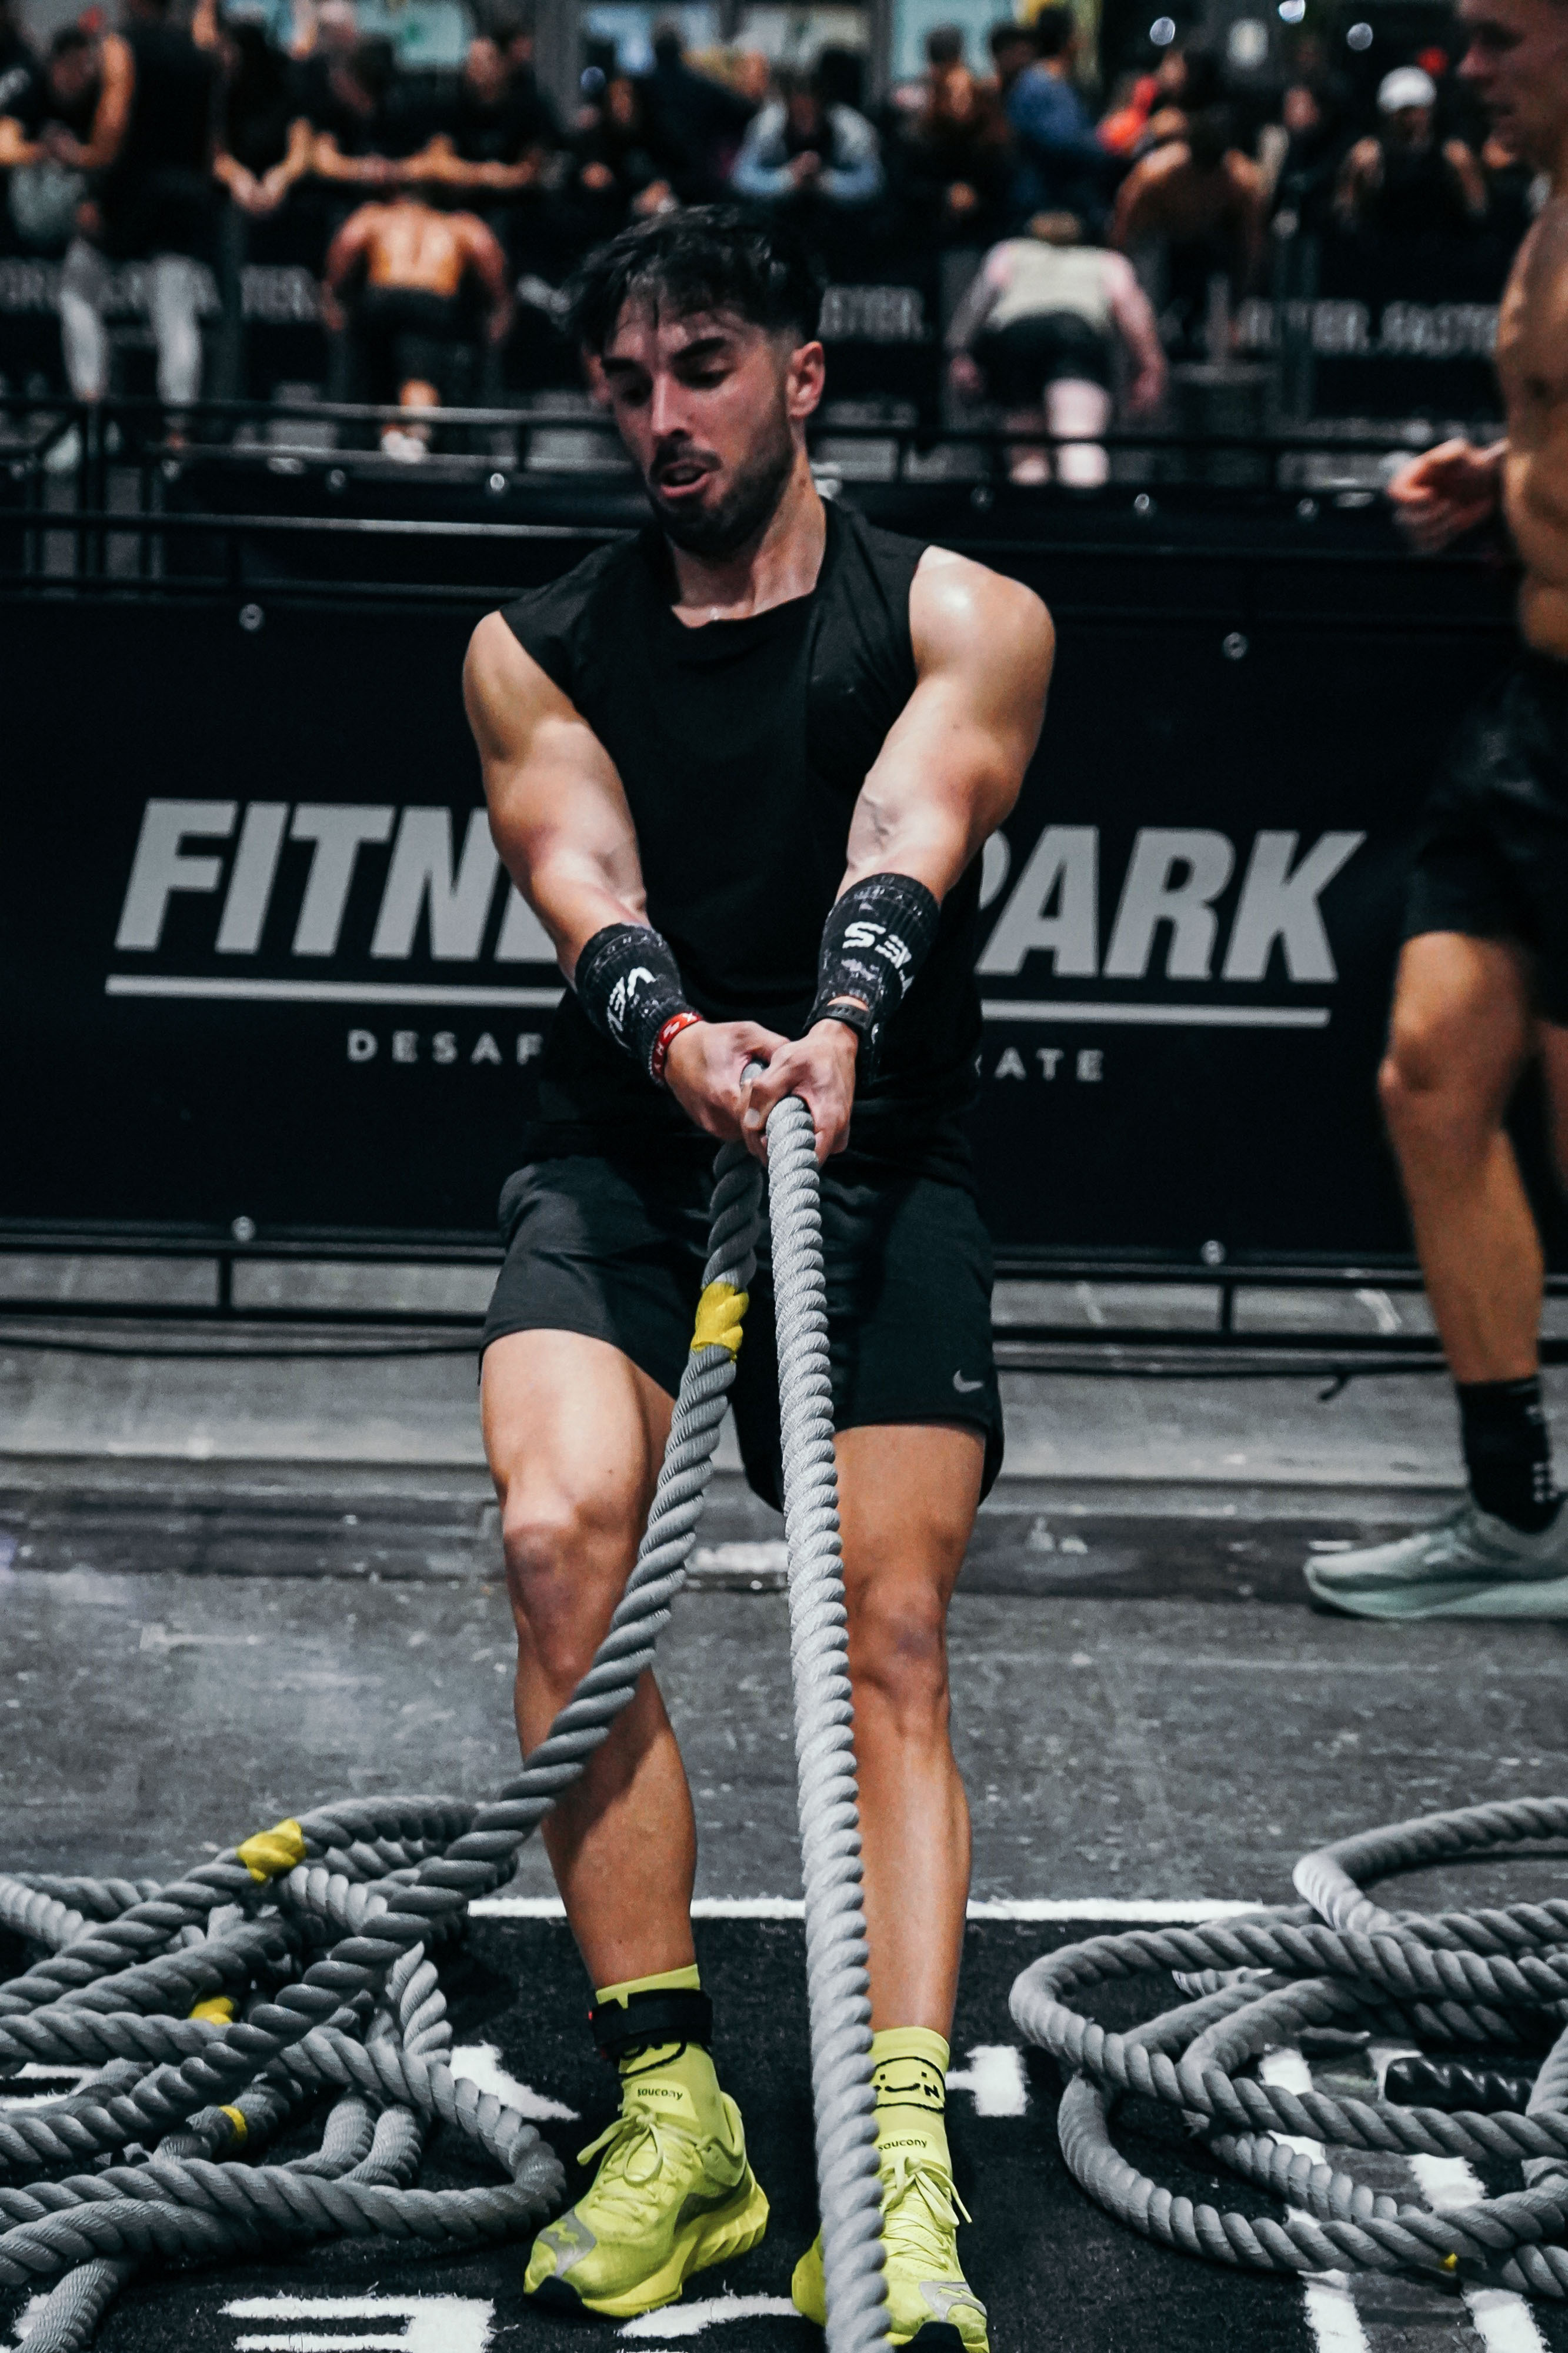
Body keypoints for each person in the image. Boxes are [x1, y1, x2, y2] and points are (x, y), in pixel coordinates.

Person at [462, 204, 1052, 2344]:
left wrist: (838, 1020)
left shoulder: (963, 614)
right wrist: (673, 1033)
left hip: (871, 1148)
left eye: (702, 364)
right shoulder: (535, 644)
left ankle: (891, 2156)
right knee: (559, 1540)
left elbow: (913, 826)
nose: (663, 414)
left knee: (885, 1619)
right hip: (633, 1150)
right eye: (628, 381)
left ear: (802, 374)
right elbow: (579, 868)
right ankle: (677, 2117)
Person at [1305, 0, 1568, 1621]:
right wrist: (1500, 477)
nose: (1466, 73)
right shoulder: (1544, 212)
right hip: (1528, 714)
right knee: (1428, 1076)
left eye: (1496, 39)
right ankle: (1515, 1510)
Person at [54, 0, 219, 418]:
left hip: (130, 191)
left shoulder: (120, 46)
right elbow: (212, 140)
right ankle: (178, 429)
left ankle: (90, 407)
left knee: (77, 289)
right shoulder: (201, 53)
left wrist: (87, 166)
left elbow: (113, 122)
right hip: (184, 192)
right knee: (175, 313)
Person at [948, 208, 1166, 483]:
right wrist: (1150, 365)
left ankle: (1033, 508)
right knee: (1079, 442)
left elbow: (976, 306)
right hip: (1074, 336)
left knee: (1027, 456)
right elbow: (1133, 312)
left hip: (1017, 340)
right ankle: (1084, 507)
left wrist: (960, 353)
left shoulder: (1009, 252)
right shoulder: (1106, 261)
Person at [321, 193, 513, 455]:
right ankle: (416, 437)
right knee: (420, 374)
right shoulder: (460, 223)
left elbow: (347, 243)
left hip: (383, 295)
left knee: (382, 372)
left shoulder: (376, 216)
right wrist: (502, 305)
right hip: (432, 300)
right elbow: (487, 252)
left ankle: (392, 436)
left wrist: (332, 294)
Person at [1112, 96, 1266, 354]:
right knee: (1151, 265)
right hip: (1163, 241)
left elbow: (1253, 243)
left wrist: (1242, 298)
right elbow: (1125, 224)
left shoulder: (1242, 181)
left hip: (1210, 244)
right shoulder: (1155, 174)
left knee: (1221, 262)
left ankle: (1215, 336)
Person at [989, 11, 1108, 234]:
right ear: (1069, 41)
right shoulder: (1041, 84)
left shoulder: (1052, 83)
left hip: (1059, 207)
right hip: (1046, 213)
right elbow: (1065, 143)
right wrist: (1111, 141)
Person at [1335, 64, 1486, 239]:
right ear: (1387, 114)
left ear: (1430, 110)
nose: (1410, 119)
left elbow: (1478, 211)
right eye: (1402, 112)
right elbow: (1345, 215)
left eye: (1416, 110)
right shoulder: (1367, 156)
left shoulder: (1454, 155)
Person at [729, 62, 885, 211]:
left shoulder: (852, 130)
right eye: (799, 113)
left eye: (812, 113)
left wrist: (825, 182)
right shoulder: (768, 126)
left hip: (837, 214)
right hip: (782, 208)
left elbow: (873, 181)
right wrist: (787, 179)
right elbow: (741, 176)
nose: (805, 121)